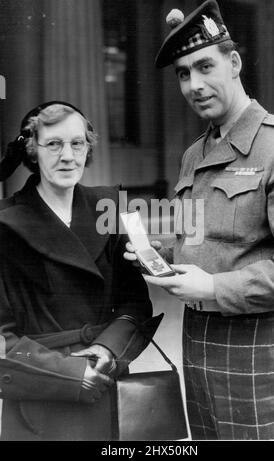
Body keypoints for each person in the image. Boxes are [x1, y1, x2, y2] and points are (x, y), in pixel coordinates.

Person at [125, 0, 274, 440]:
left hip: (253, 346)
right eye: (184, 73)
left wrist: (215, 287)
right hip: (197, 337)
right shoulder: (195, 153)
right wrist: (157, 255)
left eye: (204, 66)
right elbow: (205, 238)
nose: (194, 84)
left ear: (235, 62)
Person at [0, 101, 161, 441]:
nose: (68, 156)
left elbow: (135, 304)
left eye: (77, 143)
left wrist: (106, 350)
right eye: (54, 144)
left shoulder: (111, 207)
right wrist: (72, 373)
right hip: (40, 394)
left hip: (106, 381)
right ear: (32, 150)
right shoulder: (5, 223)